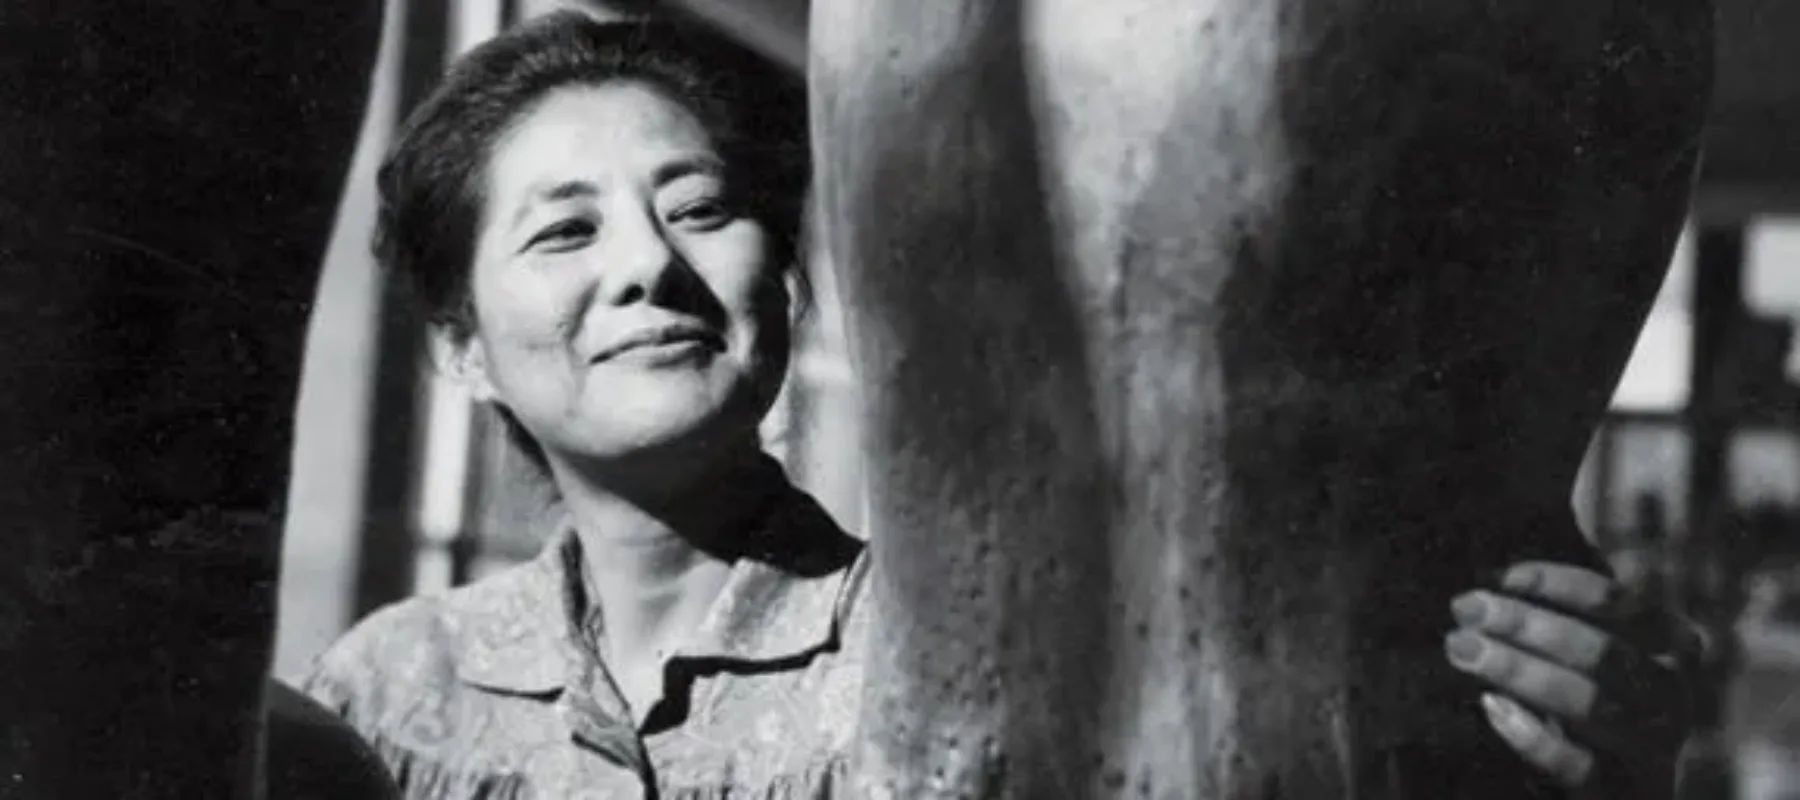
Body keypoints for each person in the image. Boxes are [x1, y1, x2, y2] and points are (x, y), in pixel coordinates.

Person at [304, 11, 1693, 798]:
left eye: (701, 209)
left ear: (785, 287)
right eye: (564, 233)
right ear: (462, 350)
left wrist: (1587, 767)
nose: (650, 268)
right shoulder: (381, 699)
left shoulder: (976, 656)